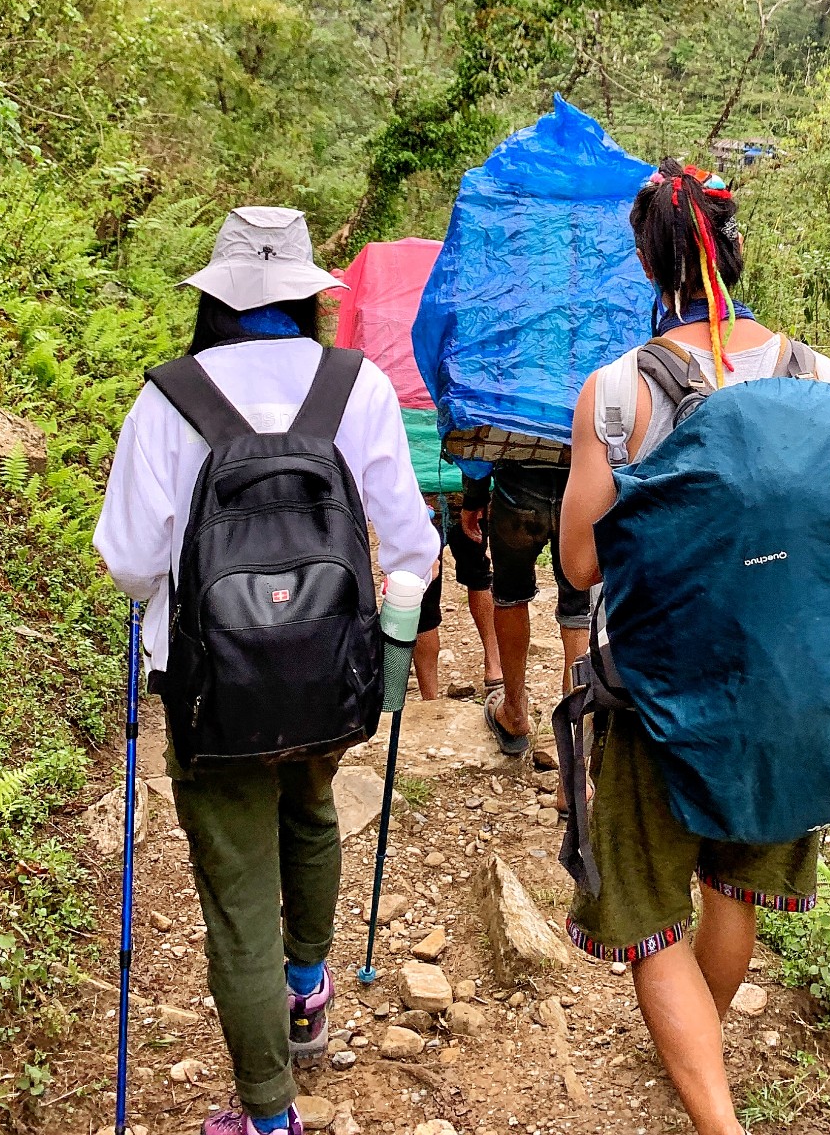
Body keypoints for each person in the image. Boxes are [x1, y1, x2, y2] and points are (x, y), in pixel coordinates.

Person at [94, 206, 439, 1135]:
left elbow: (129, 561)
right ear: (305, 296)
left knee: (238, 893)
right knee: (313, 807)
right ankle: (308, 983)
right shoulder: (354, 388)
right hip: (329, 676)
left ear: (216, 299)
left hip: (212, 691)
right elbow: (413, 544)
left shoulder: (169, 398)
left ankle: (265, 1116)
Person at [559, 163, 830, 1135]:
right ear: (733, 248)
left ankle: (716, 1114)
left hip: (654, 697)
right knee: (735, 883)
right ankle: (702, 1056)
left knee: (647, 906)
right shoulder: (818, 377)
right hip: (785, 689)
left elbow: (581, 557)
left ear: (649, 258)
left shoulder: (616, 390)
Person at [468, 458, 589, 758]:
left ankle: (514, 713)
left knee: (510, 597)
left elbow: (481, 421)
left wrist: (475, 496)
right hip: (582, 484)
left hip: (517, 484)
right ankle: (571, 771)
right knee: (579, 612)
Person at [410, 481, 503, 700]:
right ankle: (494, 666)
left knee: (423, 589)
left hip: (418, 485)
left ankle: (429, 696)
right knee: (478, 573)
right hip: (466, 479)